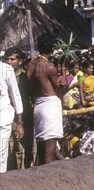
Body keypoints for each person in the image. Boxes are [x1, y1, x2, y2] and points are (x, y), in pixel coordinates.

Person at [26, 33, 65, 165]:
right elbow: (59, 89)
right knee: (50, 150)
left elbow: (29, 81)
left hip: (38, 105)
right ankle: (49, 181)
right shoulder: (49, 67)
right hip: (50, 106)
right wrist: (62, 82)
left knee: (41, 149)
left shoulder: (31, 65)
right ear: (52, 49)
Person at [4, 48, 33, 170]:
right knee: (8, 153)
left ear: (20, 61)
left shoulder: (25, 78)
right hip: (8, 121)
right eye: (7, 59)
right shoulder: (3, 77)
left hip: (24, 120)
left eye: (12, 59)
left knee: (23, 151)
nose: (9, 62)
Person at [1, 52, 24, 173]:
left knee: (2, 154)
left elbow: (15, 95)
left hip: (3, 118)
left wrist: (20, 122)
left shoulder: (6, 69)